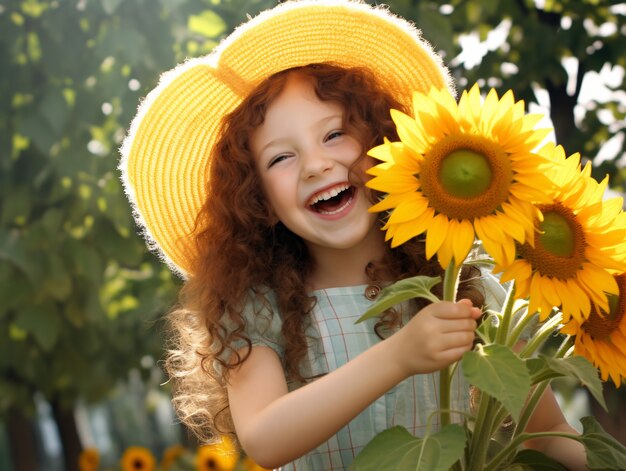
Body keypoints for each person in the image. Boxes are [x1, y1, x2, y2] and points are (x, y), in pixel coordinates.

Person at [120, 1, 588, 469]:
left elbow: (546, 434)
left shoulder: (460, 282)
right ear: (255, 198)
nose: (316, 165)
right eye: (281, 158)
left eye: (335, 135)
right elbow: (264, 437)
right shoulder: (257, 308)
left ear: (385, 139)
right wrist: (399, 355)